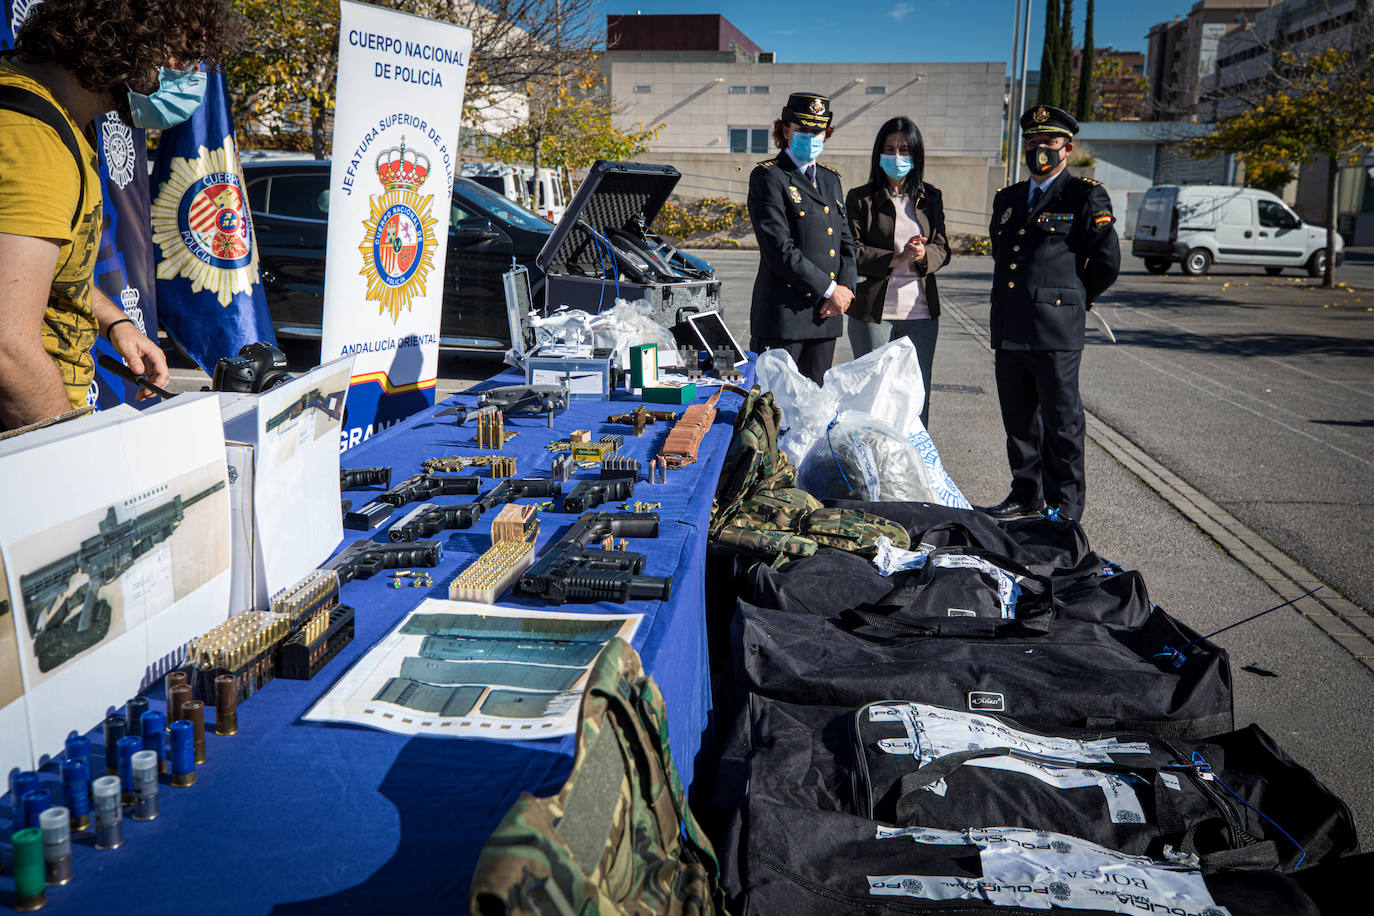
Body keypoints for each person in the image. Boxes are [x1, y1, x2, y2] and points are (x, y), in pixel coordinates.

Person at [0, 0, 227, 430]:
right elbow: (7, 348)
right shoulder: (35, 143)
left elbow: (36, 273)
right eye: (179, 57)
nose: (190, 76)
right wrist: (70, 453)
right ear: (123, 36)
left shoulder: (56, 117)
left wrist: (116, 322)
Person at [981, 104, 1120, 523]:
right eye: (1033, 141)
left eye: (1049, 141)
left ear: (1067, 148)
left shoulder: (1084, 195)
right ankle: (1026, 494)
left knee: (1061, 424)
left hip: (1055, 330)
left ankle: (1065, 506)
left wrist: (1076, 299)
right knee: (1019, 421)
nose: (1040, 148)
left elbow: (1106, 261)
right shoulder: (1007, 199)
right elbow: (1002, 256)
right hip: (1010, 328)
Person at [844, 116, 949, 429]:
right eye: (890, 149)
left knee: (915, 395)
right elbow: (852, 251)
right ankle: (872, 464)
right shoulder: (860, 198)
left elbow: (942, 247)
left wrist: (921, 255)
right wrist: (896, 257)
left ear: (916, 155)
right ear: (879, 154)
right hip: (873, 314)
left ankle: (914, 465)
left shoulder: (931, 198)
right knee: (873, 396)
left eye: (905, 149)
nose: (897, 156)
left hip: (920, 314)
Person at [747, 91, 858, 385]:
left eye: (817, 131)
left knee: (813, 415)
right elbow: (779, 250)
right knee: (772, 413)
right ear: (786, 130)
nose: (811, 137)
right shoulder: (769, 177)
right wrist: (829, 289)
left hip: (825, 318)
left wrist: (845, 289)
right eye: (803, 130)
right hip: (783, 318)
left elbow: (845, 240)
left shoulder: (830, 179)